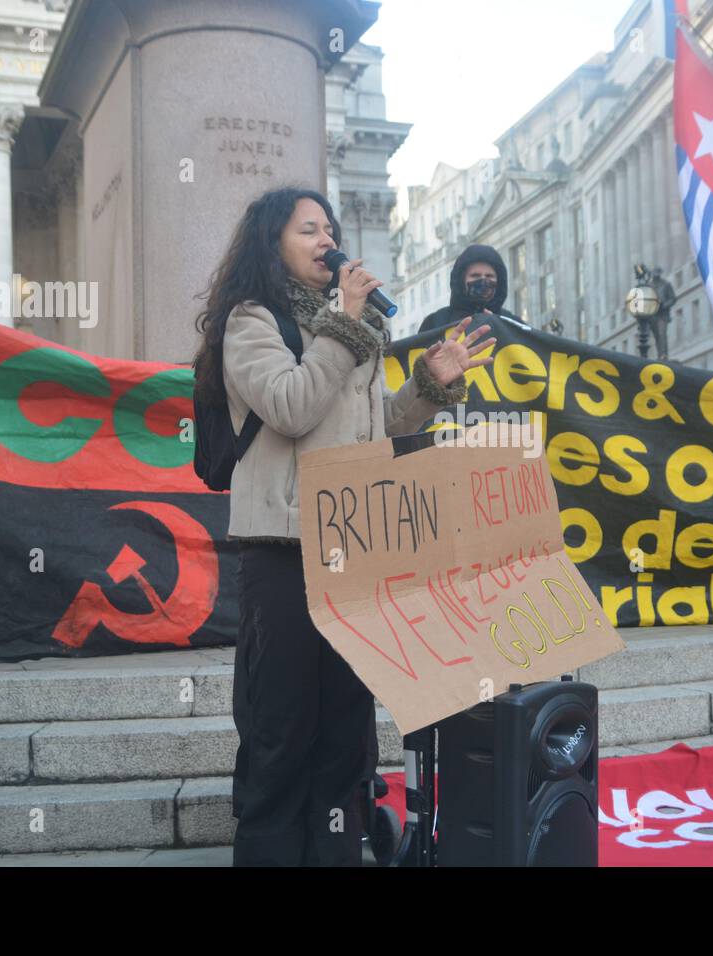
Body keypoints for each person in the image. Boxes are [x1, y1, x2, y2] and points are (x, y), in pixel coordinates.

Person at [191, 187, 495, 866]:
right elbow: (292, 406)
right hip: (284, 551)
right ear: (273, 242)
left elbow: (375, 431)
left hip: (353, 550)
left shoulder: (350, 331)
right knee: (282, 729)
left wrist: (427, 386)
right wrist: (346, 322)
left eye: (330, 228)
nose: (327, 240)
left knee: (343, 735)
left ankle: (334, 852)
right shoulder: (252, 320)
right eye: (309, 230)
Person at [418, 243, 523, 334]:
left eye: (489, 276)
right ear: (461, 281)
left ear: (499, 282)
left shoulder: (511, 323)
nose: (483, 281)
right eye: (475, 276)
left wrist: (501, 327)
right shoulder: (436, 322)